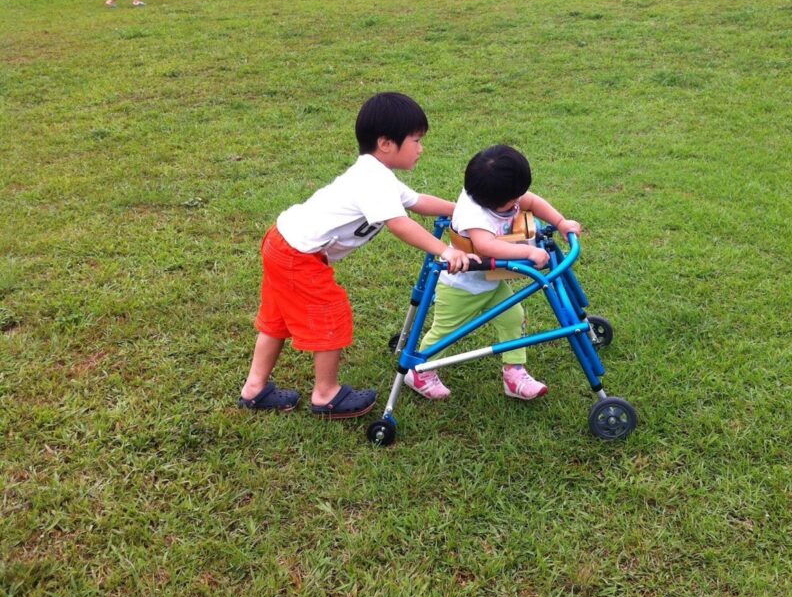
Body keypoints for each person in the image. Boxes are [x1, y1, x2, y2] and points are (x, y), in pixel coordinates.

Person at [238, 92, 477, 418]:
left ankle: (254, 389)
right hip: (298, 254)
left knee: (277, 320)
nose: (421, 148)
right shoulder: (372, 180)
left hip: (285, 243)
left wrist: (467, 211)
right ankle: (326, 395)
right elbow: (400, 225)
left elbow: (418, 201)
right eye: (416, 140)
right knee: (330, 315)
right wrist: (445, 250)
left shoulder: (380, 176)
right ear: (386, 144)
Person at [405, 144, 581, 401]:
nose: (519, 202)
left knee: (513, 318)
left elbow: (531, 201)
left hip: (491, 280)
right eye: (513, 200)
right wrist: (528, 252)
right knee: (446, 331)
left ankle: (514, 372)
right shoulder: (473, 214)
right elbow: (487, 246)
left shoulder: (499, 194)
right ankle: (420, 370)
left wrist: (561, 222)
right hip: (461, 286)